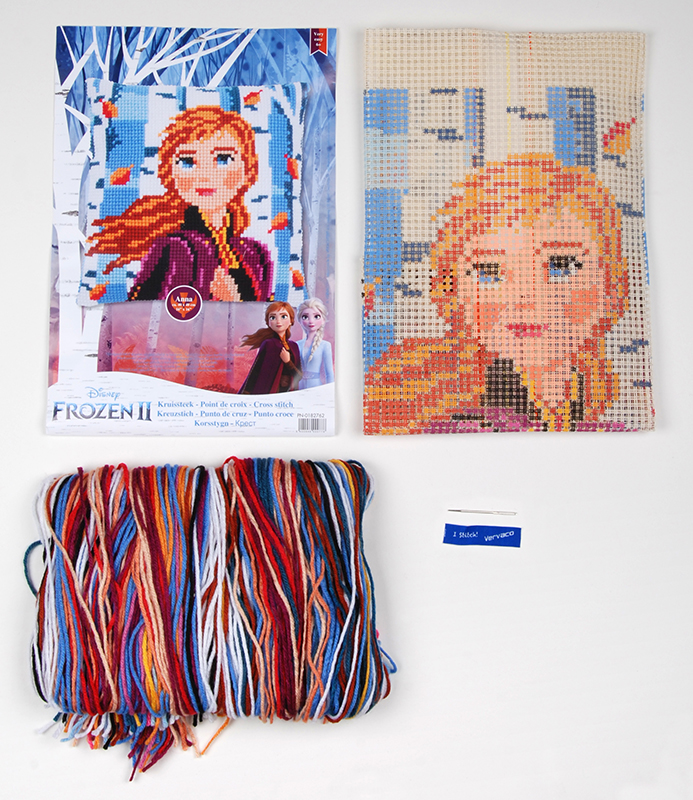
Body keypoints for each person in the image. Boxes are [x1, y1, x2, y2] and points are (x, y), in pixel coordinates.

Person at [364, 154, 629, 433]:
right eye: (490, 272)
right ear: (452, 289)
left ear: (611, 284)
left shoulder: (595, 397)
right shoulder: (418, 394)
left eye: (562, 266)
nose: (525, 297)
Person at [87, 106, 273, 302]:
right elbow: (146, 311)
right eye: (187, 161)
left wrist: (235, 299)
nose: (204, 175)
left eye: (223, 159)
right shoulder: (176, 249)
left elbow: (270, 310)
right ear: (170, 174)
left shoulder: (255, 253)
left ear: (248, 170)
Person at [239, 302, 302, 394]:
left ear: (291, 321)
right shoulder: (269, 344)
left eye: (283, 316)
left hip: (289, 392)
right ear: (268, 322)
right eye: (273, 317)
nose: (278, 321)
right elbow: (256, 371)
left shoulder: (294, 346)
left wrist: (288, 362)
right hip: (270, 392)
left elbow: (299, 375)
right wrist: (246, 393)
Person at [297, 298, 334, 389]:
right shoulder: (297, 344)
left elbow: (329, 373)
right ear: (300, 320)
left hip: (316, 387)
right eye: (305, 317)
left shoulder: (325, 345)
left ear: (323, 320)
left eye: (316, 316)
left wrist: (330, 391)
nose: (311, 321)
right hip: (299, 387)